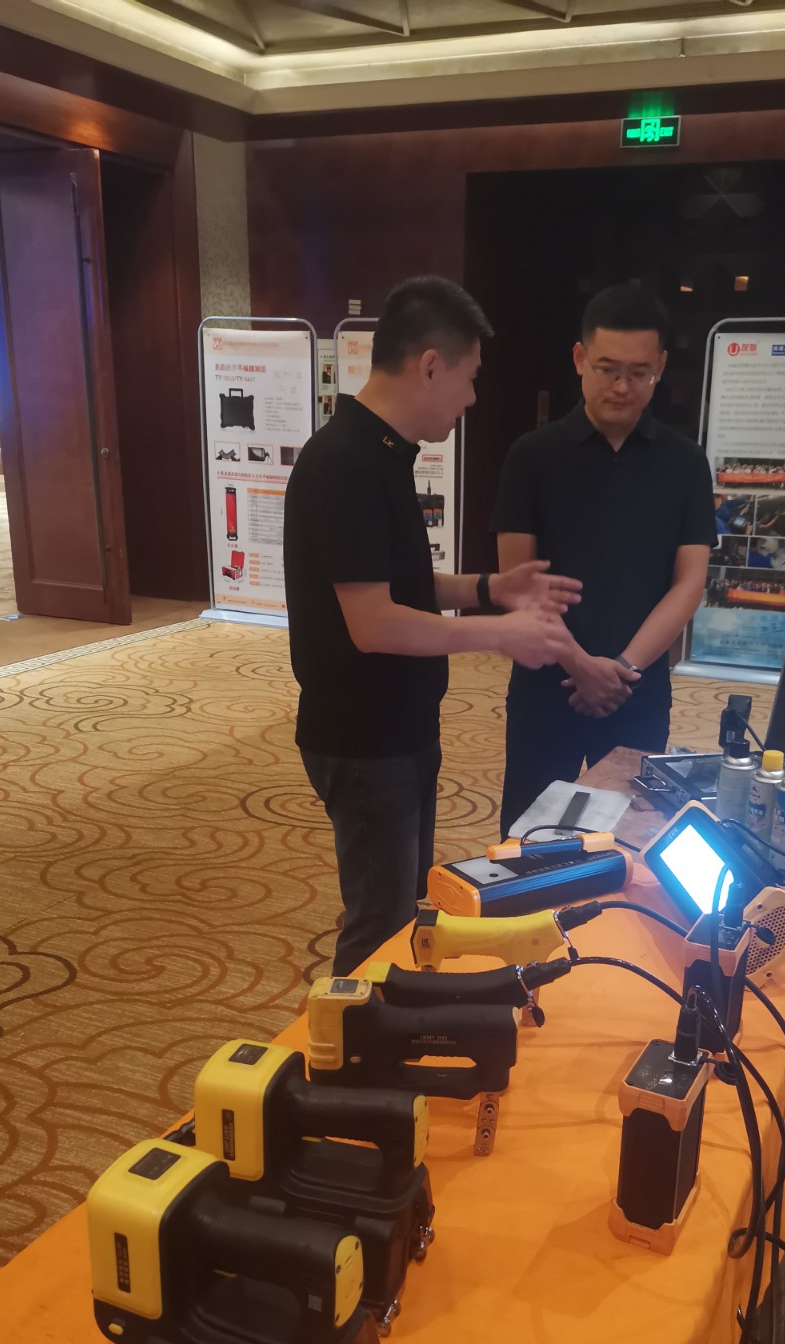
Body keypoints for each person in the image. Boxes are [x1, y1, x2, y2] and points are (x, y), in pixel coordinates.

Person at [284, 275, 580, 975]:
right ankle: (351, 1035)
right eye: (470, 378)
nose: (472, 397)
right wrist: (498, 634)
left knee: (401, 912)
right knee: (379, 925)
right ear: (429, 366)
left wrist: (489, 589)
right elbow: (374, 623)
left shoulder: (381, 455)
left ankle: (389, 1022)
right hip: (363, 740)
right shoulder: (345, 464)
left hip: (399, 729)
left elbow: (400, 585)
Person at [493, 285, 716, 839]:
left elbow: (689, 583)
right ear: (579, 358)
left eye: (639, 373)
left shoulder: (685, 462)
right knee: (527, 839)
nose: (622, 386)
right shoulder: (532, 457)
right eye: (607, 369)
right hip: (547, 682)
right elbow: (519, 586)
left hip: (638, 689)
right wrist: (580, 666)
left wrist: (623, 669)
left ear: (660, 366)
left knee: (630, 840)